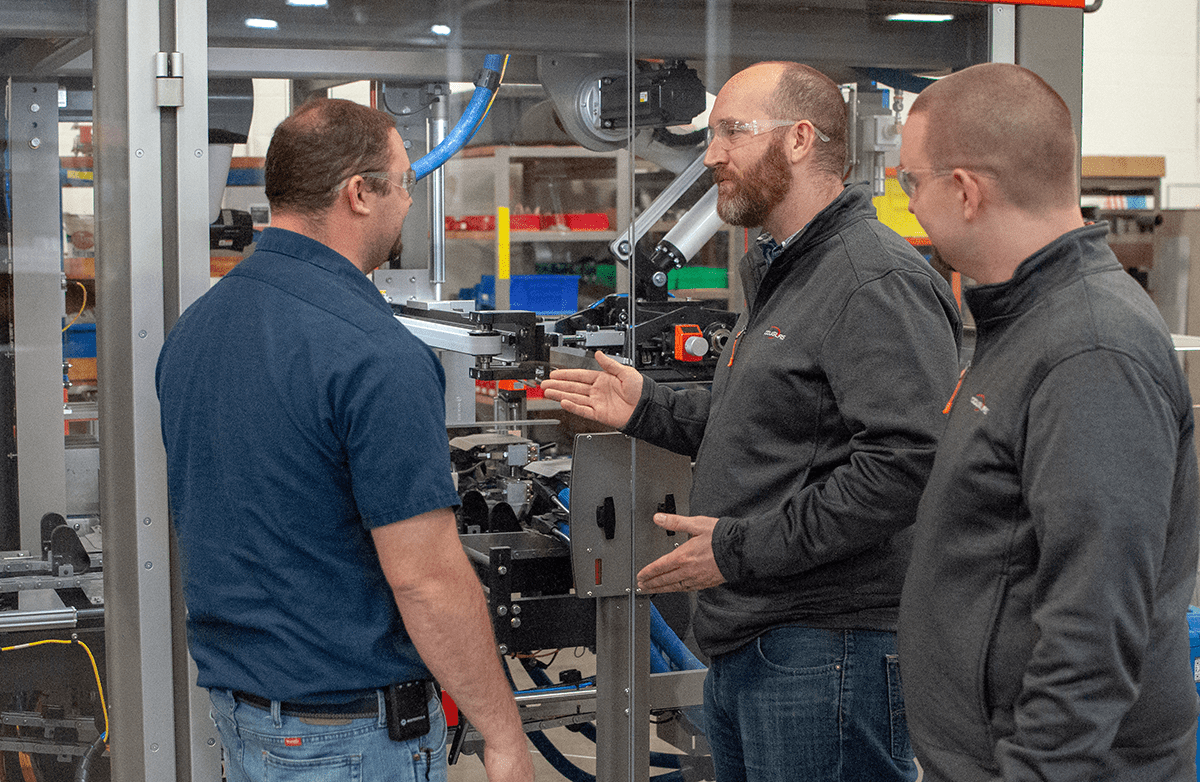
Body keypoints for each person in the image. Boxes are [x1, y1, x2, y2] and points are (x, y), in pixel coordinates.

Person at [541, 62, 962, 782]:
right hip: (761, 637)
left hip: (830, 648)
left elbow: (904, 467)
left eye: (733, 132)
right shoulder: (786, 269)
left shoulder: (871, 279)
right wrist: (648, 407)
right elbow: (772, 421)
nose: (711, 155)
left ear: (800, 140)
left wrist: (740, 549)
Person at [156, 98, 533, 782]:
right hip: (350, 736)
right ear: (360, 193)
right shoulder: (373, 353)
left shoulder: (197, 329)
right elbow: (425, 579)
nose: (407, 206)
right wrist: (502, 735)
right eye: (405, 185)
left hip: (247, 718)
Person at [896, 63, 1200, 782]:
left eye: (913, 183)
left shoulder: (1090, 351)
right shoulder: (1026, 322)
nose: (910, 206)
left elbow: (1094, 626)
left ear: (966, 191)